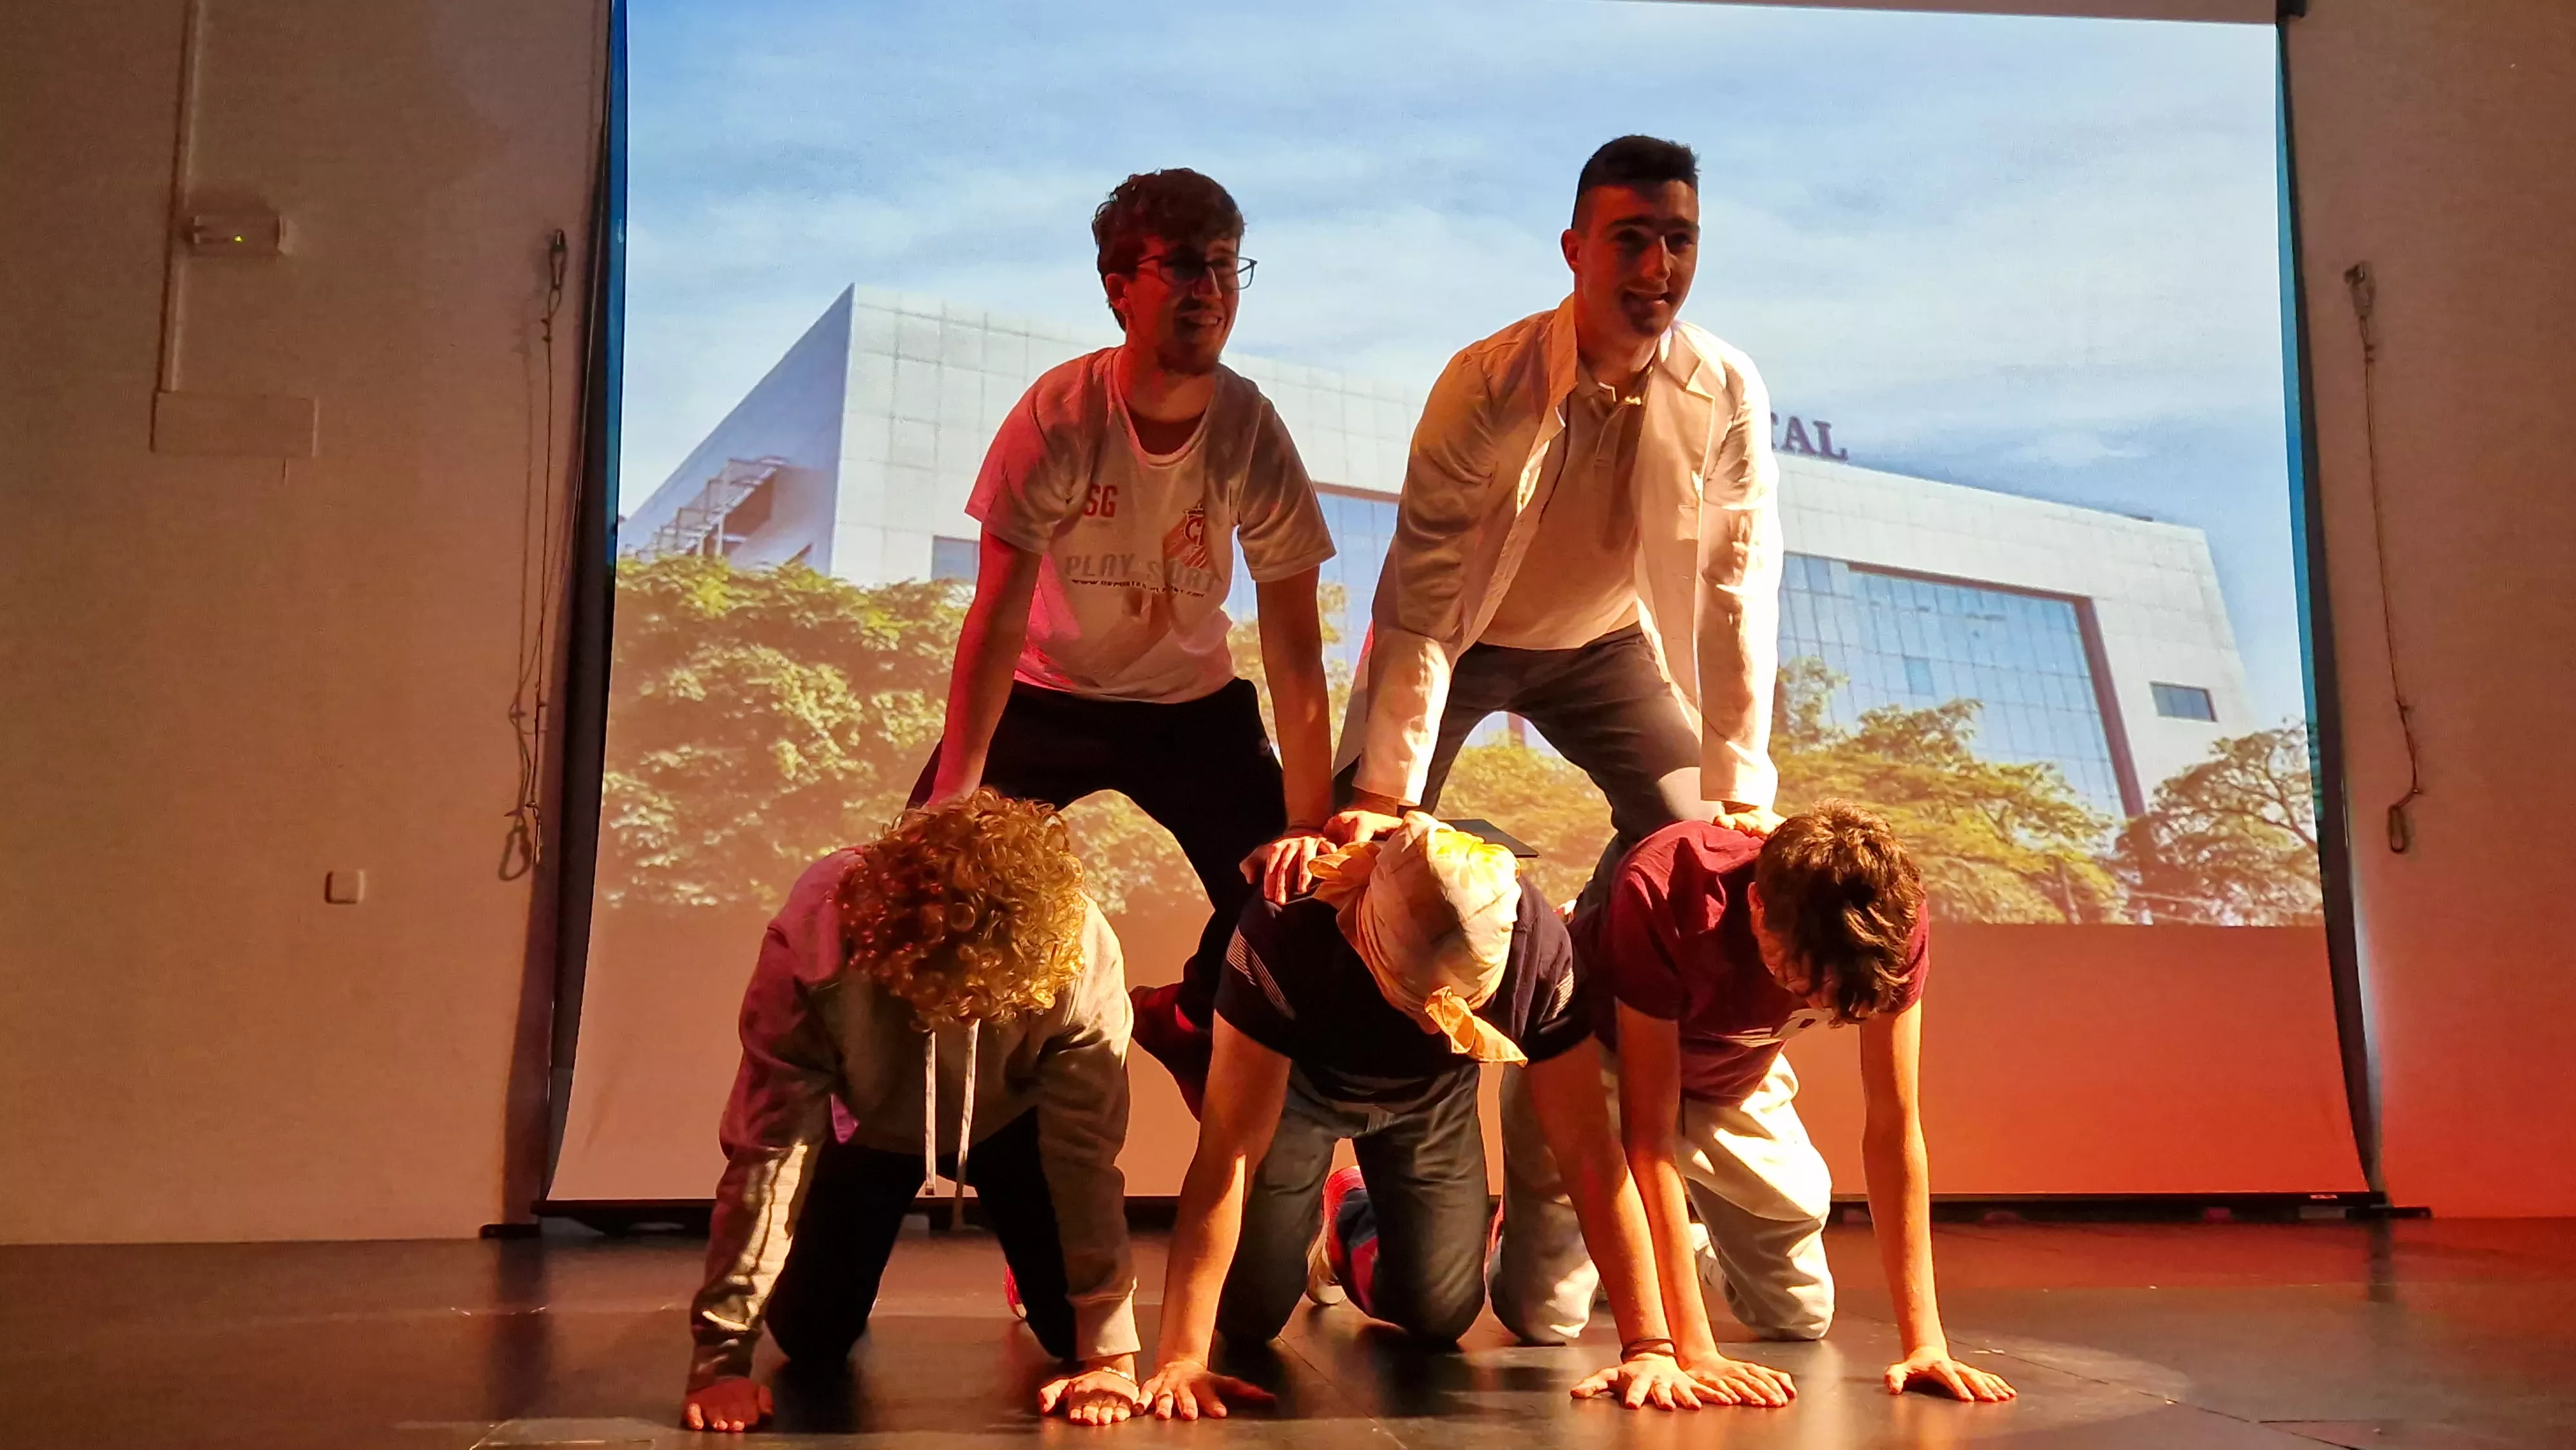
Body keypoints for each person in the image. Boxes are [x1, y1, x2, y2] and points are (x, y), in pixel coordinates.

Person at [1135, 816, 1798, 1420]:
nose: (1433, 1022)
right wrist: (1181, 1358)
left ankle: (1348, 1220)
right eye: (1422, 1006)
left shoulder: (1537, 945)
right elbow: (1229, 1151)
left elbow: (1591, 1151)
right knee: (1247, 1314)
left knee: (1438, 1314)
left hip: (1431, 1098)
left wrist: (1650, 1345)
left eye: (1453, 1011)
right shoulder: (1287, 925)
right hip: (1298, 1089)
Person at [912, 168, 1337, 1113]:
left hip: (1190, 713)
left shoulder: (1250, 432)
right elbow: (996, 615)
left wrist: (1308, 828)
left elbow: (1297, 659)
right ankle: (945, 1115)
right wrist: (955, 796)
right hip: (1046, 698)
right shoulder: (1061, 416)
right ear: (1118, 287)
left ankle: (1184, 1020)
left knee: (1298, 904)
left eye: (1227, 268)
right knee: (922, 882)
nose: (1210, 291)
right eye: (1183, 267)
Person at [1327, 135, 1785, 900]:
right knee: (1356, 863)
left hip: (1603, 649)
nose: (1657, 269)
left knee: (1708, 850)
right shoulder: (1485, 381)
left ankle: (1589, 945)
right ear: (1574, 250)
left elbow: (1734, 590)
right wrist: (1381, 795)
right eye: (1629, 240)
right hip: (1460, 640)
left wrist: (1740, 790)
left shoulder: (1728, 386)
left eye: (1679, 241)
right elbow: (1425, 591)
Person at [1490, 802, 2018, 1404]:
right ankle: (1531, 1226)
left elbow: (1893, 1126)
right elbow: (1649, 1134)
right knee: (1545, 1317)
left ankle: (1675, 1249)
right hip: (1599, 1064)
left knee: (1798, 1314)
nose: (1810, 1001)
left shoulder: (1889, 919)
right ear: (1756, 907)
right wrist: (1691, 1350)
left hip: (1734, 1076)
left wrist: (1926, 1343)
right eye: (1797, 980)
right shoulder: (1671, 883)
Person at [679, 792, 1145, 1432]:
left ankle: (1034, 1268)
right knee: (811, 1337)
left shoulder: (1078, 951)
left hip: (1018, 1119)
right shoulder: (814, 942)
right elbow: (769, 1152)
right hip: (872, 1122)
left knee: (1074, 1331)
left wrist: (1111, 1356)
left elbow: (1085, 1156)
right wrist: (722, 1362)